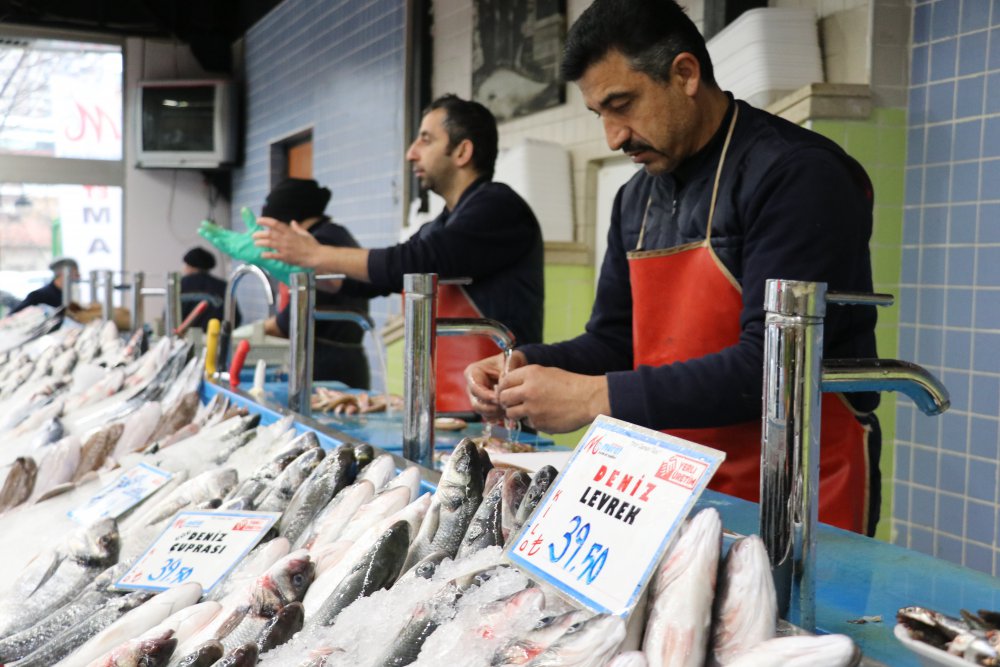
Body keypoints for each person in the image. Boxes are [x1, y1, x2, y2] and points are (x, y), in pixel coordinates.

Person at [465, 0, 881, 536]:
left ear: (684, 74)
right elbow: (615, 341)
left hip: (791, 491)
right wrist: (525, 364)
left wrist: (593, 398)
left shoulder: (798, 175)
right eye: (600, 115)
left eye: (623, 104)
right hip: (671, 483)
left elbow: (775, 366)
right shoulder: (635, 199)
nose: (614, 136)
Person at [254, 95, 544, 413]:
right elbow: (373, 282)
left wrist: (316, 254)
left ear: (462, 151)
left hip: (497, 407)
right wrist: (305, 267)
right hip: (447, 405)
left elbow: (417, 261)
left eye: (426, 140)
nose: (411, 154)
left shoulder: (498, 207)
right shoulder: (441, 223)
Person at [259, 178, 372, 389]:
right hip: (345, 362)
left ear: (287, 222)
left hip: (328, 368)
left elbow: (290, 323)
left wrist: (252, 330)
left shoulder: (319, 246)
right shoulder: (335, 235)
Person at [179, 246, 228, 331]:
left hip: (184, 338)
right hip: (215, 338)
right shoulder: (222, 286)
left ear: (190, 266)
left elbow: (169, 317)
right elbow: (235, 318)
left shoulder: (180, 285)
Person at [11, 257, 79, 313]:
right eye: (75, 273)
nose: (79, 276)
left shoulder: (68, 296)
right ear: (63, 274)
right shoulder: (38, 296)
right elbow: (11, 317)